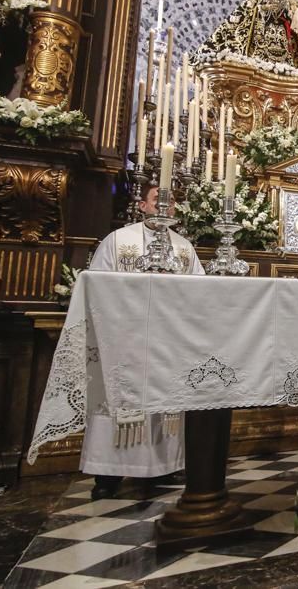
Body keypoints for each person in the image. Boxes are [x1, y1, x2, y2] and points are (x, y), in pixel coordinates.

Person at [83, 184, 204, 499]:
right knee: (117, 400)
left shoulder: (183, 247)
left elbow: (201, 292)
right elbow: (97, 286)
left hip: (168, 340)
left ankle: (164, 466)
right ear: (142, 206)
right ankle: (107, 473)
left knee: (166, 402)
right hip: (124, 338)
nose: (166, 206)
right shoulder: (118, 240)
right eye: (158, 200)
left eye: (172, 200)